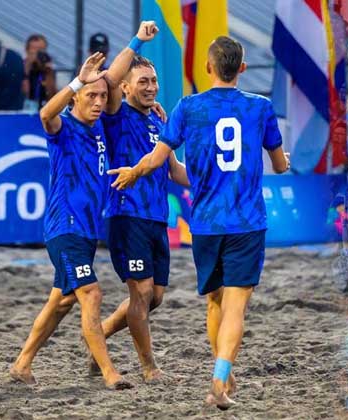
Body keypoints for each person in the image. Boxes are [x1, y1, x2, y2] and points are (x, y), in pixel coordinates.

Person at [108, 35, 290, 408]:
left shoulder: (187, 107)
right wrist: (281, 159)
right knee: (236, 307)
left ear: (207, 68)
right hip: (246, 221)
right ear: (242, 68)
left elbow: (158, 160)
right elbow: (280, 165)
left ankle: (225, 375)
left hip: (205, 224)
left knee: (214, 304)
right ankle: (219, 379)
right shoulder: (261, 107)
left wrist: (133, 172)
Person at [8, 52, 131, 390]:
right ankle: (109, 373)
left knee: (61, 302)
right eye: (91, 95)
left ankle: (22, 364)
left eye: (102, 96)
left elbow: (115, 75)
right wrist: (79, 79)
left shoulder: (101, 124)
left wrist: (137, 40)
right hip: (65, 227)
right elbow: (45, 113)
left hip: (86, 232)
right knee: (90, 294)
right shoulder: (64, 127)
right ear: (76, 96)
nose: (98, 101)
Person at [92, 22, 189, 383]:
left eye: (153, 81)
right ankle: (149, 369)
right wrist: (137, 41)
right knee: (142, 292)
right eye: (142, 81)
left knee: (155, 297)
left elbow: (176, 171)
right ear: (127, 87)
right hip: (126, 214)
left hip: (156, 218)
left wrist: (218, 180)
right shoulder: (116, 112)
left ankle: (97, 336)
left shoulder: (159, 123)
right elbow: (110, 80)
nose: (150, 87)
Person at [22, 34, 58, 110]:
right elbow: (24, 93)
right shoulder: (20, 66)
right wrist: (27, 67)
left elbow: (53, 97)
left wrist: (49, 73)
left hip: (42, 111)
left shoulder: (47, 69)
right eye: (34, 49)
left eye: (41, 49)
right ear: (27, 50)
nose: (38, 53)